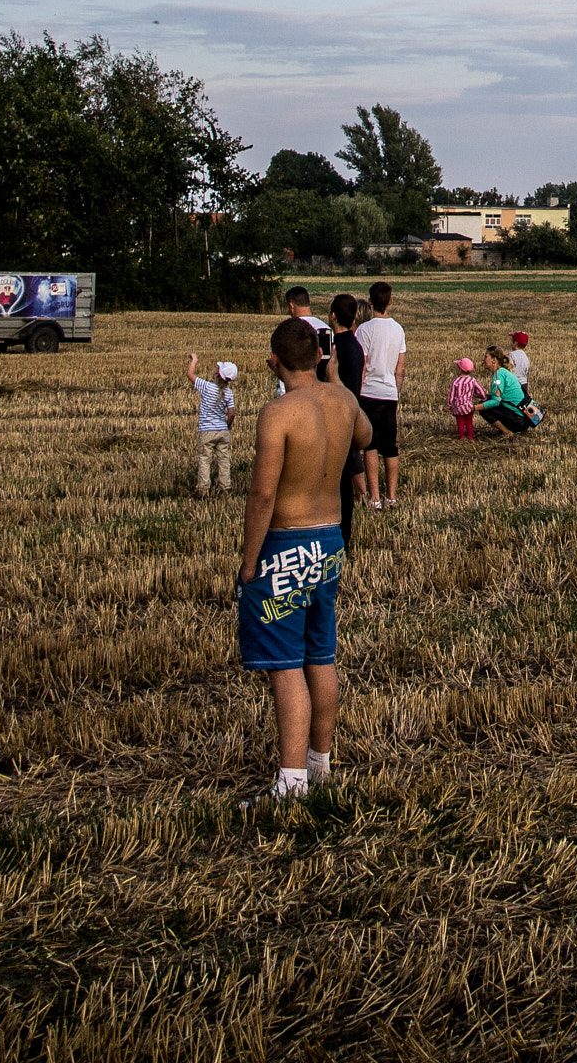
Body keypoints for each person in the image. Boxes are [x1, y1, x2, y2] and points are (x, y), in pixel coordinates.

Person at [237, 315, 372, 804]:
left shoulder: (278, 412)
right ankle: (320, 765)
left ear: (273, 361)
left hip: (286, 544)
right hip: (330, 540)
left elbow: (263, 494)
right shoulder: (342, 400)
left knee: (286, 666)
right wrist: (336, 382)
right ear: (319, 355)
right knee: (321, 654)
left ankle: (291, 784)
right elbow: (364, 436)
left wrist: (250, 563)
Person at [355, 280, 406, 508]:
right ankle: (392, 496)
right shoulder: (398, 329)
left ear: (370, 302)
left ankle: (375, 498)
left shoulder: (365, 329)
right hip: (389, 393)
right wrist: (396, 391)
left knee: (371, 445)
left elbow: (362, 365)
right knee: (390, 445)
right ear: (390, 302)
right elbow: (400, 368)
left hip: (368, 393)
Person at [327, 292, 366, 552]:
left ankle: (336, 537)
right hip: (351, 415)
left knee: (335, 483)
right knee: (344, 484)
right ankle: (345, 537)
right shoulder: (356, 346)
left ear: (332, 316)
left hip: (333, 418)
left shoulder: (334, 348)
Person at [189, 354, 237, 495]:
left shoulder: (207, 387)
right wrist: (227, 425)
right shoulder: (228, 393)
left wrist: (194, 361)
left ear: (217, 373)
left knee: (205, 459)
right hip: (222, 430)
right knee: (223, 459)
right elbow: (232, 413)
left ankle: (203, 488)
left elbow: (190, 374)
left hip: (207, 431)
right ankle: (225, 487)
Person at [477, 345, 529, 436]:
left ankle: (507, 432)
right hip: (523, 419)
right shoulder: (504, 372)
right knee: (485, 402)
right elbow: (500, 397)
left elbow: (496, 402)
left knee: (484, 409)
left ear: (494, 360)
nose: (483, 359)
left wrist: (474, 408)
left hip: (518, 420)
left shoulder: (499, 374)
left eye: (486, 357)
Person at [447, 357, 482, 441]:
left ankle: (461, 438)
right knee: (469, 423)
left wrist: (449, 406)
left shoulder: (456, 382)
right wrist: (483, 397)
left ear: (460, 370)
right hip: (469, 407)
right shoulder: (473, 380)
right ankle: (470, 438)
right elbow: (481, 390)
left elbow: (451, 395)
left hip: (459, 407)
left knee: (460, 424)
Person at [508, 329, 531, 399]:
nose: (511, 342)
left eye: (512, 341)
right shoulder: (525, 356)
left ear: (515, 342)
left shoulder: (511, 355)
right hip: (524, 384)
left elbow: (508, 369)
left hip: (514, 384)